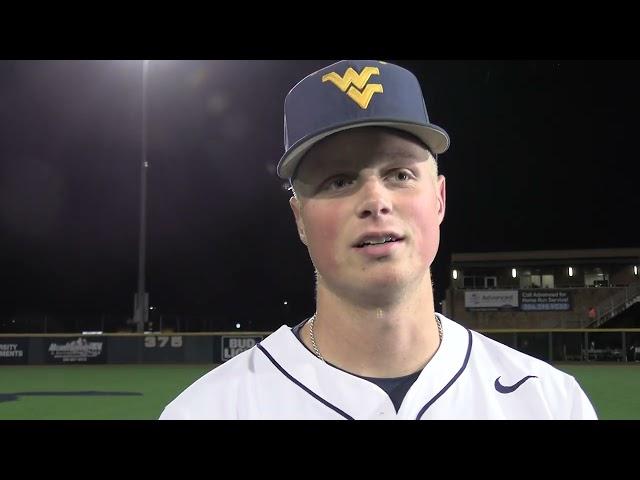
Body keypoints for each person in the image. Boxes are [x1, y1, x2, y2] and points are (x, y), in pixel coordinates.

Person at [159, 60, 597, 419]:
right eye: (337, 181)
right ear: (300, 220)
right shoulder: (210, 410)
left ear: (439, 199)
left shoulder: (551, 404)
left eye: (400, 174)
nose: (375, 200)